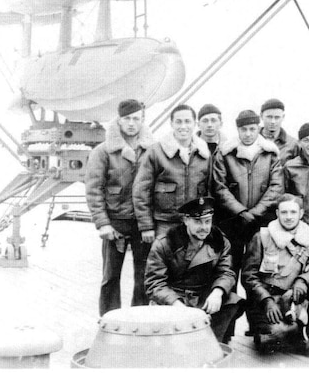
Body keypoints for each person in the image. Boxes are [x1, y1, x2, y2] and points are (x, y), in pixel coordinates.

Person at [241, 194, 309, 358]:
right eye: (284, 212)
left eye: (293, 212)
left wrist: (303, 280)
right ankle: (271, 331)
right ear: (277, 213)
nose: (289, 217)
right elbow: (249, 276)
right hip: (271, 297)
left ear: (301, 213)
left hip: (296, 295)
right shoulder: (263, 236)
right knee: (272, 338)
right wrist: (266, 300)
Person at [86, 99, 154, 316]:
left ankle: (140, 319)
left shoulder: (152, 150)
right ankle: (109, 320)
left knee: (143, 276)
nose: (132, 123)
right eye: (127, 118)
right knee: (111, 276)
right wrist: (103, 223)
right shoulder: (103, 151)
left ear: (142, 120)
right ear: (119, 120)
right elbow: (94, 189)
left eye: (136, 118)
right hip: (115, 223)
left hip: (143, 222)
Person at [144, 196, 245, 343]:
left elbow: (226, 272)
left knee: (232, 300)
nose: (204, 227)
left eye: (207, 221)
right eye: (198, 222)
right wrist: (175, 303)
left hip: (202, 298)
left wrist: (217, 292)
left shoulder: (219, 240)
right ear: (185, 220)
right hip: (175, 298)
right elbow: (155, 283)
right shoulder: (166, 243)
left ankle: (212, 342)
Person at [211, 109, 284, 274]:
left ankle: (255, 301)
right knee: (230, 266)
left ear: (258, 128)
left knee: (257, 269)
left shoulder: (270, 154)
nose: (248, 134)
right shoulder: (225, 153)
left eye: (252, 129)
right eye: (244, 129)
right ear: (238, 130)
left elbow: (276, 187)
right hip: (233, 221)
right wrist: (241, 211)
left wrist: (256, 212)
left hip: (261, 221)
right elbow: (219, 187)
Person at [133, 104, 211, 240]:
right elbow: (141, 191)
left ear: (195, 124)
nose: (183, 126)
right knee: (162, 260)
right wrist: (146, 226)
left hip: (194, 223)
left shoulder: (203, 154)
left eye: (187, 121)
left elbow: (210, 189)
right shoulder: (156, 152)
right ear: (171, 124)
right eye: (178, 122)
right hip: (165, 224)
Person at [260, 98, 299, 164]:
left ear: (283, 117)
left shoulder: (293, 144)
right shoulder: (253, 140)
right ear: (261, 116)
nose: (273, 121)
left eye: (277, 117)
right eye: (269, 117)